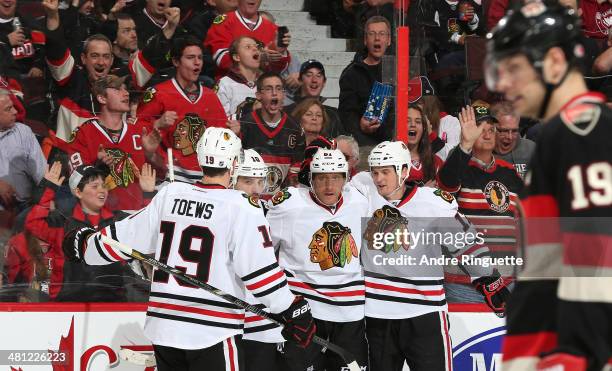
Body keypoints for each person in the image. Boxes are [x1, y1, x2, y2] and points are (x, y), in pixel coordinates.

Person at [63, 127, 316, 371]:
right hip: (212, 331)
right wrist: (291, 309)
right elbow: (259, 273)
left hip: (165, 327)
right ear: (234, 165)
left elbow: (125, 237)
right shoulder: (241, 206)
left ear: (199, 158)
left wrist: (85, 245)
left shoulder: (170, 195)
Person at [486, 1, 612, 370]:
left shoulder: (582, 131)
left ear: (555, 62)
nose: (505, 85)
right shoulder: (557, 136)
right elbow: (543, 270)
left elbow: (596, 264)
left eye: (515, 69)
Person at [350, 141, 509, 371]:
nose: (379, 179)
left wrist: (489, 278)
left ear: (404, 171)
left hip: (425, 314)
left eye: (386, 172)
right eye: (375, 172)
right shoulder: (363, 190)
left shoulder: (432, 203)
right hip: (378, 314)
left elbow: (465, 243)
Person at [267, 148, 369, 371]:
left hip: (349, 314)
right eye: (322, 178)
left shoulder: (360, 202)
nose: (329, 186)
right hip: (304, 313)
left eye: (335, 178)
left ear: (346, 179)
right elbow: (263, 254)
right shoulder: (288, 205)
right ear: (311, 179)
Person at [42, 0, 179, 144]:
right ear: (83, 58)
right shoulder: (71, 79)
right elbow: (56, 50)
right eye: (94, 56)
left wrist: (169, 28)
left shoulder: (120, 80)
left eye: (106, 56)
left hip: (115, 159)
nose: (101, 62)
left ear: (112, 60)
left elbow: (150, 57)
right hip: (73, 159)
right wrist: (52, 16)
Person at [26, 162, 154, 301]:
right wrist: (49, 188)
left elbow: (149, 230)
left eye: (103, 185)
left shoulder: (118, 221)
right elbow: (33, 224)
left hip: (113, 304)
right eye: (94, 186)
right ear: (78, 192)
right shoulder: (62, 222)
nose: (102, 190)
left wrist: (148, 194)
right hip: (68, 304)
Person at [437, 104, 523, 303]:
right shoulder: (456, 167)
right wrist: (465, 146)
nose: (487, 134)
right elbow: (446, 185)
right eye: (480, 129)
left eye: (491, 129)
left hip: (507, 280)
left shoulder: (510, 173)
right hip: (465, 282)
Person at [137, 36, 228, 184]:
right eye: (190, 57)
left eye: (200, 57)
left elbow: (222, 136)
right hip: (169, 177)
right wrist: (157, 124)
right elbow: (137, 131)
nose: (197, 62)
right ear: (176, 61)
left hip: (205, 179)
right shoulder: (159, 93)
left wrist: (233, 132)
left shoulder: (210, 96)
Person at [65, 75, 160, 211]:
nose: (126, 93)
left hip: (137, 215)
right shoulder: (83, 134)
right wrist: (98, 167)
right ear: (102, 98)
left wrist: (150, 155)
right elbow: (76, 184)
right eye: (117, 89)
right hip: (101, 217)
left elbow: (162, 175)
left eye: (126, 89)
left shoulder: (140, 132)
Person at [231, 149, 286, 370]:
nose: (255, 190)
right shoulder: (221, 211)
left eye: (260, 181)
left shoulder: (274, 212)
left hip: (264, 319)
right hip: (226, 318)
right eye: (247, 181)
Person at [239, 72, 305, 196]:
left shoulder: (295, 128)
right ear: (259, 95)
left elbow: (297, 166)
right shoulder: (245, 124)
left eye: (279, 88)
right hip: (250, 199)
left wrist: (293, 182)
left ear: (284, 94)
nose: (274, 93)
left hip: (280, 201)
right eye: (269, 89)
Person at [338, 15, 394, 146]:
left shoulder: (398, 70)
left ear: (389, 40)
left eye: (382, 34)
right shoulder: (351, 74)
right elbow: (347, 115)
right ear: (365, 40)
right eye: (372, 34)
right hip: (364, 143)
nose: (377, 38)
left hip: (395, 141)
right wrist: (361, 126)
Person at [204, 0, 291, 78]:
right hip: (231, 88)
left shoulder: (273, 29)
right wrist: (259, 57)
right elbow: (222, 59)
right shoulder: (224, 22)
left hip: (262, 90)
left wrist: (279, 51)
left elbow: (278, 70)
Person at [0, 90, 46, 212]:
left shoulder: (23, 132)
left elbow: (41, 174)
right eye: (8, 109)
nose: (15, 112)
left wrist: (48, 199)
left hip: (26, 206)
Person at [284, 59, 345, 138]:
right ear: (300, 80)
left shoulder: (333, 114)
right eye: (309, 75)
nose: (314, 80)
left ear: (324, 82)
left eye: (318, 76)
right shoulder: (287, 112)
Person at [216, 36, 262, 118]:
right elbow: (220, 120)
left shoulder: (266, 82)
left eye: (257, 46)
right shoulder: (225, 84)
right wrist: (249, 111)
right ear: (237, 57)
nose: (255, 49)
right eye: (248, 47)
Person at [490, 101, 535, 179]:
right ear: (491, 127)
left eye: (514, 131)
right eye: (504, 131)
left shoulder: (531, 150)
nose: (510, 137)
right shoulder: (479, 151)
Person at [406, 104, 443, 185]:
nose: (413, 125)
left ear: (424, 128)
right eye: (407, 121)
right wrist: (423, 193)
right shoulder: (387, 160)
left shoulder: (436, 161)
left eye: (418, 122)